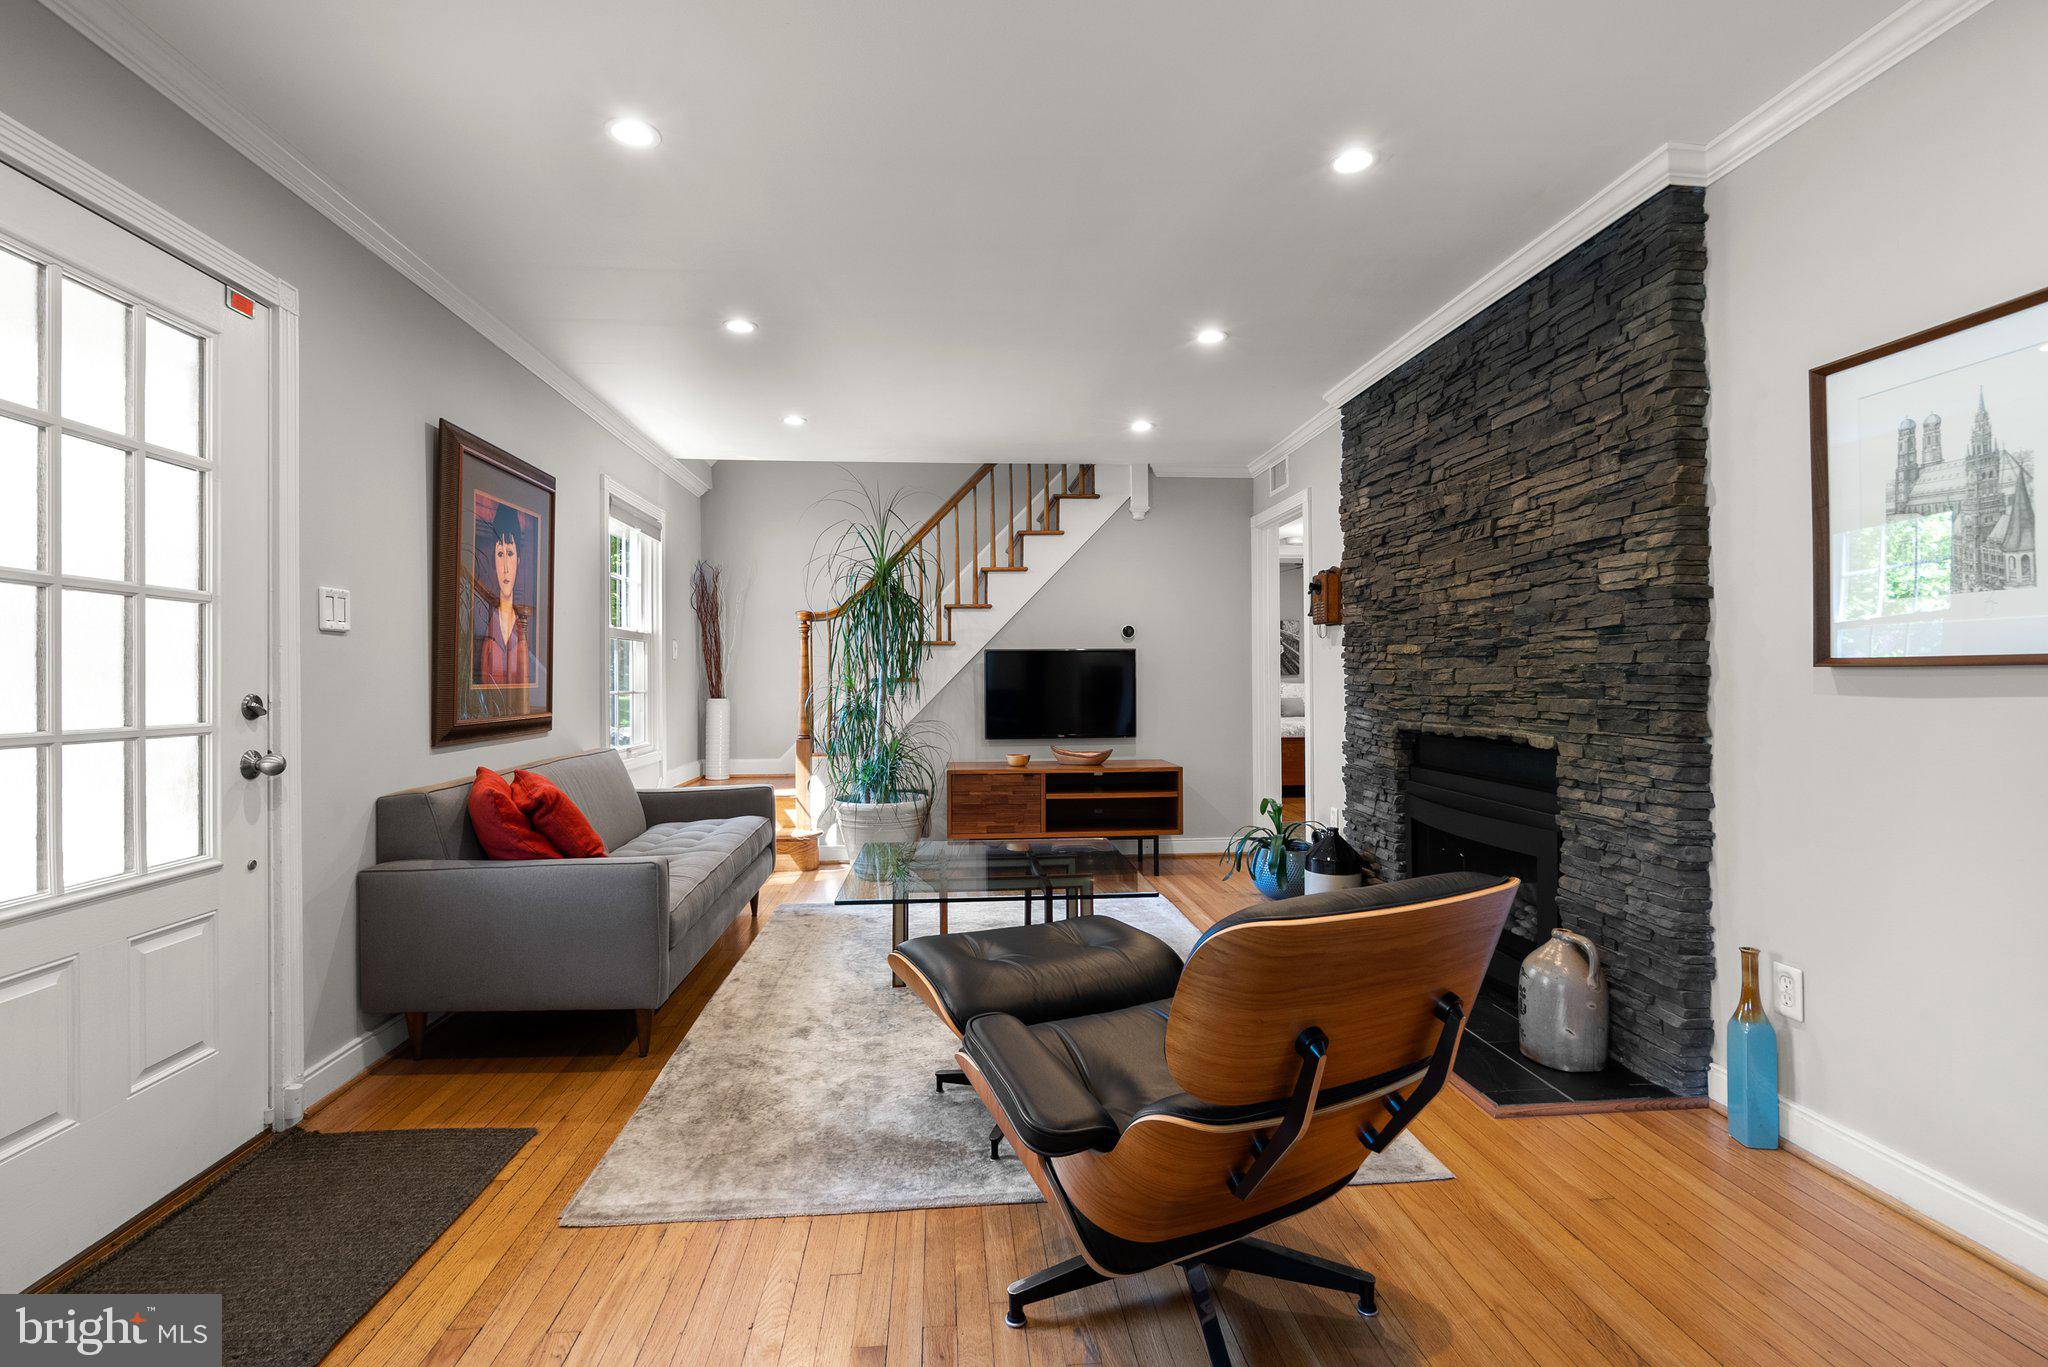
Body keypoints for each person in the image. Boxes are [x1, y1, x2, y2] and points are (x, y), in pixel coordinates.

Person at [476, 503, 531, 687]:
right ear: (493, 560)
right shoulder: (485, 622)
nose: (506, 567)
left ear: (518, 560)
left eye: (510, 553)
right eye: (500, 554)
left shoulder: (523, 625)